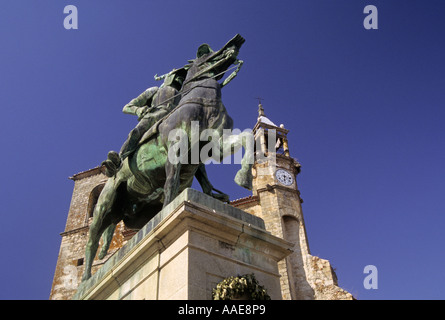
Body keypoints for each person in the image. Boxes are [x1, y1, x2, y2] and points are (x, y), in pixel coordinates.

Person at [102, 67, 186, 177]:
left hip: (178, 121)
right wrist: (139, 110)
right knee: (137, 131)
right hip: (156, 116)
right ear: (170, 77)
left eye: (182, 77)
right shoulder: (154, 90)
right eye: (177, 76)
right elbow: (127, 107)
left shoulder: (184, 97)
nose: (180, 79)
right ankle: (118, 161)